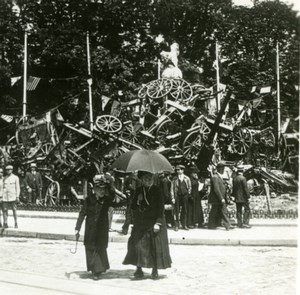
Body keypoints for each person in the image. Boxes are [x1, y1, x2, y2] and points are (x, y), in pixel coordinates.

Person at [123, 171, 172, 280]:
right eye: (145, 178)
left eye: (150, 178)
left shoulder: (157, 190)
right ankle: (139, 269)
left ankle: (155, 270)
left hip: (155, 222)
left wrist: (158, 223)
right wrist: (138, 202)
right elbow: (133, 207)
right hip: (141, 222)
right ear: (142, 180)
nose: (148, 180)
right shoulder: (139, 190)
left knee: (154, 247)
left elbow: (161, 209)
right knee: (138, 246)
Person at [75, 174, 120, 280]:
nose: (102, 191)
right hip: (90, 229)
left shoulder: (106, 200)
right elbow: (82, 213)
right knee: (91, 248)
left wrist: (110, 184)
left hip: (101, 229)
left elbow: (113, 196)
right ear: (94, 189)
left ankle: (97, 271)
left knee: (100, 248)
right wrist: (77, 228)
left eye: (104, 189)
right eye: (100, 189)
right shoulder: (88, 200)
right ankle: (94, 269)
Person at [207, 161, 232, 231]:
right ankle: (227, 225)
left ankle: (211, 225)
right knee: (223, 211)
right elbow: (216, 189)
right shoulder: (215, 177)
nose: (223, 170)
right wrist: (221, 198)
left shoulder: (218, 177)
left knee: (214, 211)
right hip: (217, 198)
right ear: (220, 169)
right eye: (223, 169)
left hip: (217, 198)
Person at [171, 165, 191, 231]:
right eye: (177, 170)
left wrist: (188, 194)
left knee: (185, 210)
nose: (178, 171)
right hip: (177, 196)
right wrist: (173, 197)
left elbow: (189, 187)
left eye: (179, 170)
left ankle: (184, 224)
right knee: (176, 211)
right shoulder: (174, 179)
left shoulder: (187, 178)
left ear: (183, 170)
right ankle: (176, 225)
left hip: (184, 196)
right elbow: (172, 189)